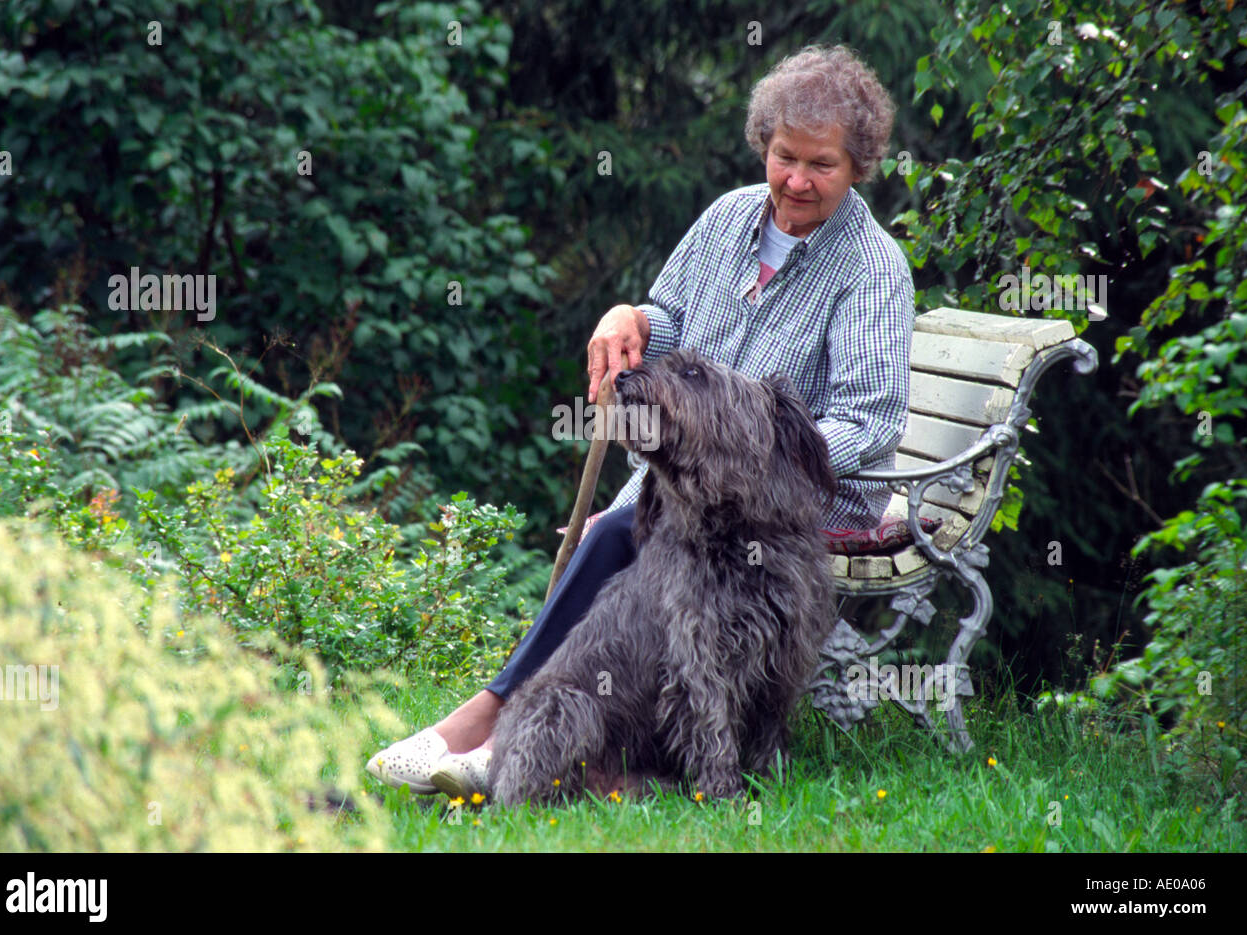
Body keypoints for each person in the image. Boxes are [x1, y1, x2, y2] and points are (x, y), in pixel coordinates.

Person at [366, 44, 915, 798]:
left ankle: (497, 732)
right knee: (618, 533)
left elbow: (869, 421)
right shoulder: (727, 219)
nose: (795, 180)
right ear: (765, 144)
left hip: (799, 491)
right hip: (698, 484)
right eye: (784, 156)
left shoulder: (872, 268)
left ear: (859, 165)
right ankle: (540, 737)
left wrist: (753, 456)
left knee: (621, 534)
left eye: (821, 165)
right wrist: (629, 317)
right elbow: (671, 315)